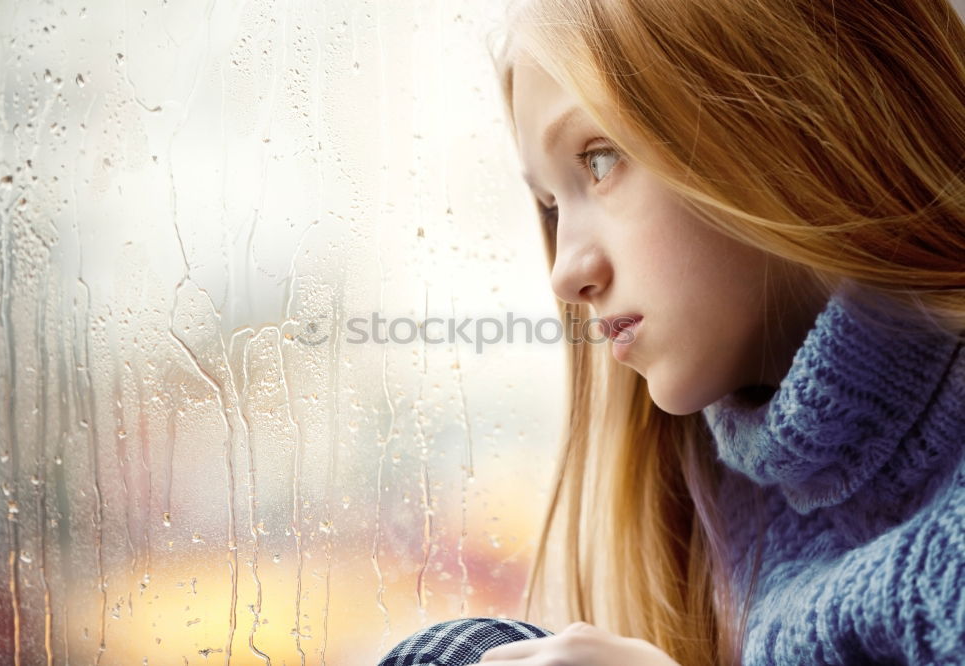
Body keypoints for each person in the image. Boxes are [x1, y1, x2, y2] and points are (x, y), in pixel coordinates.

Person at [378, 0, 965, 664]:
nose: (567, 274)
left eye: (599, 162)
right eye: (550, 207)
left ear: (798, 112)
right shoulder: (730, 503)